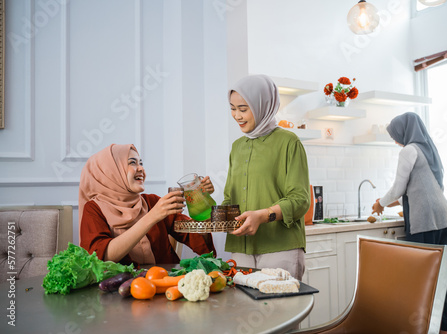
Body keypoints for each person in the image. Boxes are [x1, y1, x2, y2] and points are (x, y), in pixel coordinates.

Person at [371, 112, 447, 334]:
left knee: (421, 278)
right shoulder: (429, 147)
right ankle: (440, 328)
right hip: (443, 217)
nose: (395, 139)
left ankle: (421, 328)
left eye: (395, 134)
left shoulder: (408, 150)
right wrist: (397, 203)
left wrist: (380, 204)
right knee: (439, 276)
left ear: (404, 131)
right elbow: (427, 185)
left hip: (425, 220)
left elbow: (398, 187)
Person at [222, 74, 310, 280]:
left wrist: (261, 216)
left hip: (280, 249)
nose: (237, 116)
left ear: (263, 105)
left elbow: (300, 199)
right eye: (233, 109)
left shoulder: (289, 142)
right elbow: (229, 200)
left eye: (243, 109)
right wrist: (203, 197)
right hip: (240, 250)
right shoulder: (237, 147)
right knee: (242, 311)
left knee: (280, 311)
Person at [79, 144, 216, 266]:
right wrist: (152, 216)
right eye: (132, 163)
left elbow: (197, 239)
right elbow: (100, 257)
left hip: (165, 285)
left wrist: (202, 208)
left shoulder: (153, 202)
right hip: (119, 289)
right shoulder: (94, 209)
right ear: (111, 171)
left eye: (141, 163)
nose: (141, 169)